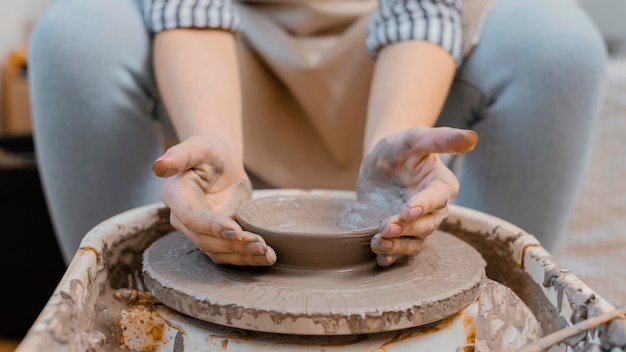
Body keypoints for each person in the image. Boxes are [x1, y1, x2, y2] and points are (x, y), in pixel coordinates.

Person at [28, 0, 606, 267]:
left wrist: (395, 147)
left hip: (398, 54)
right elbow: (188, 8)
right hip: (230, 47)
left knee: (558, 43)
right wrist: (212, 141)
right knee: (74, 32)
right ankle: (132, 301)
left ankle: (494, 305)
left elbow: (421, 11)